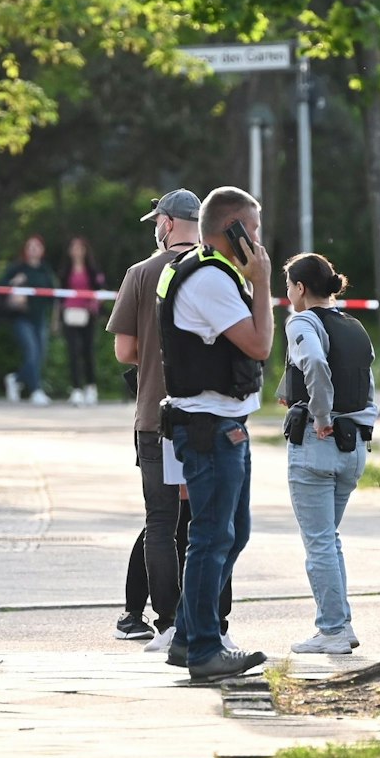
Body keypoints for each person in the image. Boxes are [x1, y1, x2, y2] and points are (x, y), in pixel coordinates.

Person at [109, 189, 234, 658]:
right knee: (210, 521)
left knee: (161, 522)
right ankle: (215, 622)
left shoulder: (141, 273)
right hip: (209, 415)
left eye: (156, 222)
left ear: (166, 223)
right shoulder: (218, 269)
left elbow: (124, 351)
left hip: (154, 415)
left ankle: (166, 622)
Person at [157, 185, 272, 681]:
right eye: (254, 230)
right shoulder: (210, 279)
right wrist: (262, 283)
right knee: (211, 537)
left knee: (231, 533)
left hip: (222, 424)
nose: (260, 242)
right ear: (234, 230)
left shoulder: (210, 270)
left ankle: (187, 637)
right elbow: (260, 344)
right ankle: (204, 649)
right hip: (209, 427)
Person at [278, 253, 377, 654]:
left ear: (300, 288)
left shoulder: (301, 321)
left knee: (319, 542)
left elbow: (315, 363)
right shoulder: (354, 326)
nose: (288, 293)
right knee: (329, 541)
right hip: (353, 446)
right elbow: (366, 384)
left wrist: (320, 415)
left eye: (289, 286)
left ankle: (332, 631)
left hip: (318, 444)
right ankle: (341, 625)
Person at [0, 236, 57, 405]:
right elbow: (0, 286)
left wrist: (55, 319)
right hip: (22, 318)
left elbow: (53, 296)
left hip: (40, 318)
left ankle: (15, 379)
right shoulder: (18, 268)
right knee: (31, 351)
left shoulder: (45, 270)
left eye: (37, 246)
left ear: (42, 250)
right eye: (30, 246)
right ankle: (36, 390)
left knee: (40, 355)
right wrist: (13, 282)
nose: (33, 249)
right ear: (25, 250)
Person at [60, 238, 106, 407]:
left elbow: (100, 290)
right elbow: (59, 294)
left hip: (88, 314)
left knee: (88, 350)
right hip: (70, 313)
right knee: (73, 351)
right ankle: (76, 389)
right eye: (74, 248)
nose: (77, 251)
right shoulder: (65, 270)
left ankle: (91, 387)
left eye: (80, 248)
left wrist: (95, 304)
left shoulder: (92, 269)